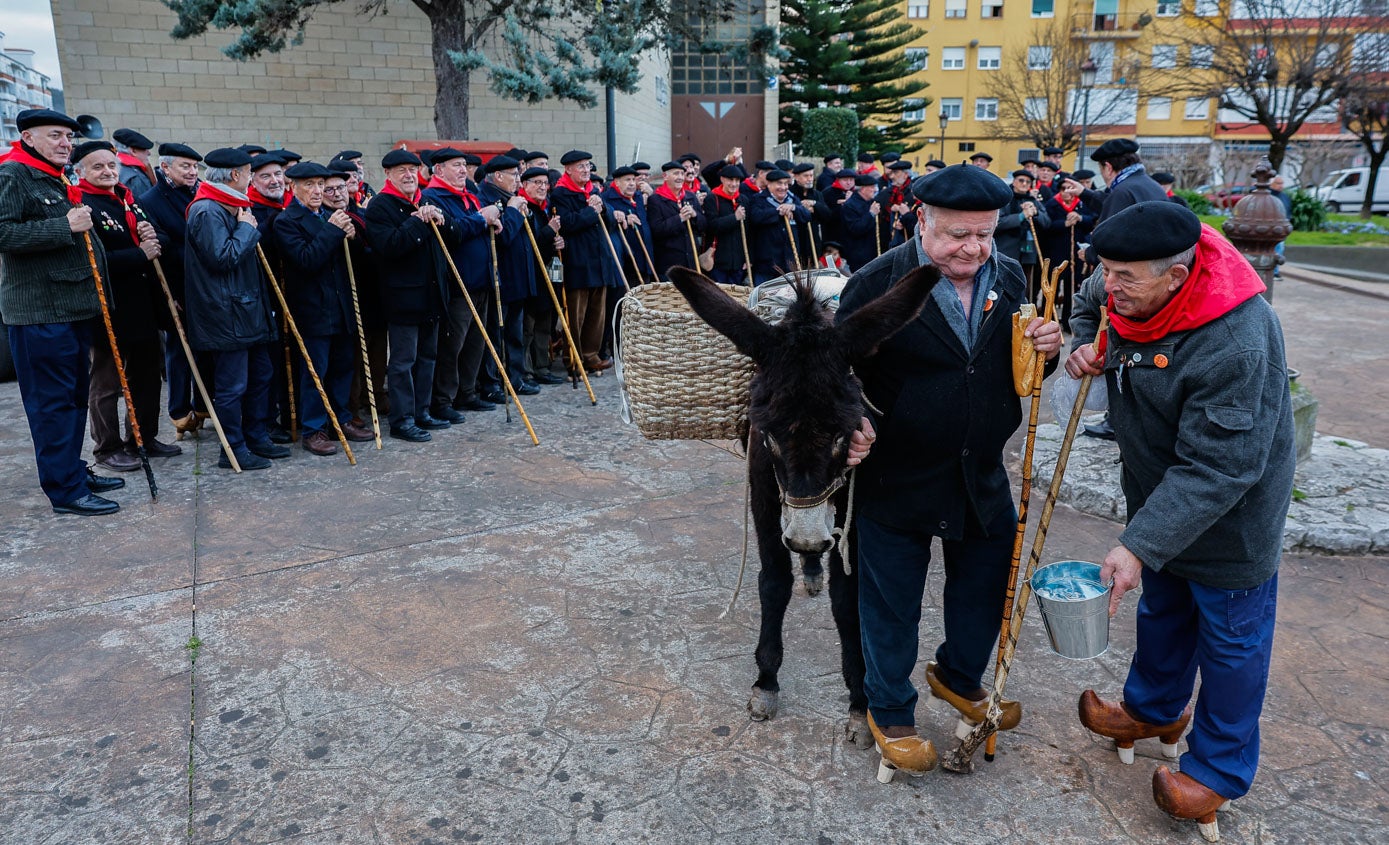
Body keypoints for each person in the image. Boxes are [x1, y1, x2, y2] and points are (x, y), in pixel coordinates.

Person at [1063, 201, 1292, 841]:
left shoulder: (1235, 337)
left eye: (1126, 279)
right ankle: (1154, 711)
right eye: (1107, 272)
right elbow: (1089, 300)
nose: (1111, 287)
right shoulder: (1125, 273)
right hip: (1158, 491)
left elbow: (1220, 468)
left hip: (1231, 515)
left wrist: (1137, 543)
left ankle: (1218, 768)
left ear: (1178, 274)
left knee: (1231, 642)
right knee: (1163, 608)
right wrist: (1088, 342)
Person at [836, 164, 1062, 781]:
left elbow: (1025, 370)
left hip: (981, 471)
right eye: (957, 234)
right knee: (891, 604)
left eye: (984, 234)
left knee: (984, 589)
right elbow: (835, 374)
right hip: (897, 476)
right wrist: (849, 424)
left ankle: (958, 678)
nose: (973, 249)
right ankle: (890, 709)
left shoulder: (1011, 275)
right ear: (921, 223)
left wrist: (1049, 347)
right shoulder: (875, 283)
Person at [0, 108, 128, 515]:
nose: (64, 144)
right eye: (54, 135)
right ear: (28, 137)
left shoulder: (53, 174)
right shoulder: (13, 174)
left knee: (72, 400)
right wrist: (63, 227)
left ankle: (71, 470)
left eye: (68, 138)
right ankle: (65, 491)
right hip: (40, 314)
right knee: (52, 405)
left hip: (69, 310)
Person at [73, 141, 181, 471]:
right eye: (98, 167)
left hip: (143, 304)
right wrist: (140, 253)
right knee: (107, 382)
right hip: (110, 307)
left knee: (147, 376)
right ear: (80, 173)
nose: (107, 171)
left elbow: (158, 240)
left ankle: (143, 437)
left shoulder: (127, 200)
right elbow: (94, 260)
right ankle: (107, 448)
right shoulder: (82, 206)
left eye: (111, 165)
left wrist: (154, 237)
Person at [184, 147, 280, 471]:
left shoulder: (233, 206)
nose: (252, 178)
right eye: (250, 172)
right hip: (227, 316)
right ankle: (233, 448)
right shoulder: (208, 210)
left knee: (260, 375)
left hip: (246, 312)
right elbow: (221, 258)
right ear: (236, 175)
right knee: (232, 386)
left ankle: (255, 437)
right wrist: (247, 229)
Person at [272, 161, 376, 455]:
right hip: (312, 309)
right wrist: (332, 232)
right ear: (294, 187)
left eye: (320, 184)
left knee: (343, 367)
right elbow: (306, 260)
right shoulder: (286, 221)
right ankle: (313, 429)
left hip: (341, 305)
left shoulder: (332, 215)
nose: (317, 191)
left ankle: (341, 418)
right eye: (309, 185)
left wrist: (352, 238)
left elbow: (353, 260)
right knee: (315, 371)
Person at [364, 148, 461, 442]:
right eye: (402, 171)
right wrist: (418, 221)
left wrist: (441, 218)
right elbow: (390, 246)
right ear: (388, 175)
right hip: (403, 298)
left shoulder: (425, 200)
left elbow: (453, 237)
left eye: (412, 170)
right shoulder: (380, 207)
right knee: (403, 361)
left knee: (428, 357)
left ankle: (422, 411)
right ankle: (402, 419)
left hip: (431, 295)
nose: (409, 176)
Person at [420, 148, 505, 417]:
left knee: (475, 343)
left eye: (463, 165)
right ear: (438, 170)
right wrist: (482, 218)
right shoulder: (433, 197)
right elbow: (452, 231)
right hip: (458, 283)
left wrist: (492, 223)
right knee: (452, 345)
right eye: (455, 165)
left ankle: (467, 393)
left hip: (481, 280)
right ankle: (444, 399)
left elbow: (476, 226)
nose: (462, 170)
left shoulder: (469, 195)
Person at [138, 141, 205, 437]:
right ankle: (179, 410)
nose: (192, 172)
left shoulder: (200, 191)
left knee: (206, 348)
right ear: (165, 167)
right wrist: (173, 296)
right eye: (185, 166)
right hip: (177, 285)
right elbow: (163, 250)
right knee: (179, 350)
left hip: (205, 284)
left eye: (194, 167)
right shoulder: (151, 200)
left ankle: (204, 403)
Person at [476, 155, 543, 398]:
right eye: (514, 175)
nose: (518, 179)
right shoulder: (485, 198)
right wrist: (514, 210)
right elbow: (502, 237)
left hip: (519, 277)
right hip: (500, 277)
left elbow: (526, 236)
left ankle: (515, 378)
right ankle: (492, 382)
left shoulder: (512, 198)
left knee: (515, 333)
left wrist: (526, 213)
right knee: (496, 333)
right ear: (498, 176)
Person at [551, 150, 622, 375]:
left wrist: (603, 207)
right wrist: (591, 210)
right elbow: (568, 223)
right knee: (577, 315)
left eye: (588, 166)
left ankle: (591, 355)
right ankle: (573, 357)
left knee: (597, 314)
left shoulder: (594, 190)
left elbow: (609, 222)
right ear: (568, 170)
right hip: (578, 262)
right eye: (580, 166)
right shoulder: (561, 194)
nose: (585, 170)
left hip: (600, 262)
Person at [518, 166, 566, 385]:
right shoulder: (522, 207)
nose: (542, 187)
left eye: (545, 183)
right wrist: (548, 231)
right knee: (528, 326)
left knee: (544, 324)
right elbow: (529, 243)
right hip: (530, 276)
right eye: (536, 183)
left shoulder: (545, 208)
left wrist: (557, 241)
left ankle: (542, 366)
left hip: (549, 273)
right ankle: (525, 370)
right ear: (525, 185)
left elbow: (545, 241)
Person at [746, 169, 812, 284]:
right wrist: (779, 211)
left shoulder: (792, 199)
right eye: (779, 183)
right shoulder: (758, 199)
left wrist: (793, 208)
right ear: (769, 184)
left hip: (790, 262)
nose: (783, 187)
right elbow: (756, 217)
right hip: (766, 263)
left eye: (786, 183)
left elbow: (806, 216)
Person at [995, 169, 1051, 298]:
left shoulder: (1033, 201)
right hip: (1006, 251)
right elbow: (997, 223)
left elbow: (1047, 222)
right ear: (1014, 182)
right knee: (1004, 285)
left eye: (1028, 182)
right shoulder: (1004, 199)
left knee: (1026, 284)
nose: (1024, 184)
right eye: (1021, 180)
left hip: (1028, 251)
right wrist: (1021, 216)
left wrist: (1035, 213)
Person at [647, 161, 706, 280]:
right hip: (669, 264)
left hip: (691, 261)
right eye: (675, 174)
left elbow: (703, 226)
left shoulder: (690, 197)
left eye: (681, 174)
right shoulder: (655, 200)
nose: (680, 177)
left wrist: (695, 215)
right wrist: (680, 218)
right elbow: (657, 230)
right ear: (665, 176)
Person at [1089, 139, 1167, 224]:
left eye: (1101, 170)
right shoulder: (1154, 186)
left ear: (1108, 168)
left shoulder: (1122, 192)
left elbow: (1110, 234)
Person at [702, 164, 750, 286]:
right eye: (730, 180)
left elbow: (750, 231)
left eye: (737, 180)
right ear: (722, 179)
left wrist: (749, 258)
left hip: (739, 262)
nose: (734, 184)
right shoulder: (712, 198)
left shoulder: (743, 199)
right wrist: (734, 218)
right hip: (718, 261)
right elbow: (711, 226)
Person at [839, 173, 882, 272]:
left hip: (872, 252)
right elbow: (856, 228)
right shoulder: (850, 205)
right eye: (872, 187)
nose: (875, 190)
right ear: (863, 189)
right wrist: (871, 214)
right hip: (859, 255)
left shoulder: (871, 202)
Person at [112, 128, 156, 196]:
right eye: (144, 149)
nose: (149, 153)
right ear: (133, 151)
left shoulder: (115, 168)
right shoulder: (135, 177)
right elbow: (143, 203)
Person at [1269, 175, 1292, 279]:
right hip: (1269, 227)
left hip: (1281, 228)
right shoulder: (1268, 196)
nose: (1281, 186)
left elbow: (1288, 211)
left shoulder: (1284, 197)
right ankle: (1273, 271)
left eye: (1282, 183)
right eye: (1278, 183)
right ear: (1271, 184)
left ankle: (1275, 271)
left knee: (1279, 249)